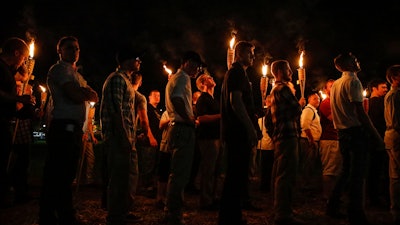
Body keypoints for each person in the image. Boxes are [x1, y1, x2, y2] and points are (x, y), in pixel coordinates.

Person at [39, 36, 99, 225]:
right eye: (69, 48)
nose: (74, 51)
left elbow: (94, 96)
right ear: (60, 51)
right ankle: (52, 215)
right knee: (57, 173)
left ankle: (63, 212)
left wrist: (82, 92)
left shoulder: (76, 75)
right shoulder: (58, 70)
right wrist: (82, 92)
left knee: (67, 174)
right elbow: (73, 94)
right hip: (62, 126)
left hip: (73, 128)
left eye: (77, 49)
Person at [328, 53, 384, 225]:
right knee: (358, 174)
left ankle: (332, 206)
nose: (358, 62)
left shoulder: (336, 84)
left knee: (345, 172)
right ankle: (356, 213)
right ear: (348, 64)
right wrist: (375, 135)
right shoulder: (353, 82)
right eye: (355, 60)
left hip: (342, 133)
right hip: (354, 132)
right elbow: (360, 112)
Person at [100, 46, 143, 225]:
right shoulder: (117, 79)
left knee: (128, 176)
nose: (139, 62)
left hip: (127, 137)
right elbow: (116, 110)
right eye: (137, 58)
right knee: (118, 177)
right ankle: (115, 216)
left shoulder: (126, 80)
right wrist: (124, 137)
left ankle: (122, 211)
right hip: (118, 137)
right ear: (128, 60)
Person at [219, 41, 259, 225]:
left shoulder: (238, 73)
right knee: (235, 175)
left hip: (237, 131)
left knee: (237, 175)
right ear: (239, 54)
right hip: (238, 132)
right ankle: (230, 217)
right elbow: (236, 102)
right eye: (250, 53)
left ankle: (232, 215)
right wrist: (250, 128)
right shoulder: (236, 72)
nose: (253, 56)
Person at [163, 50, 204, 225]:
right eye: (196, 65)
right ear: (187, 62)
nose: (198, 69)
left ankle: (173, 211)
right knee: (180, 173)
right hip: (182, 128)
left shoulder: (177, 79)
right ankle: (173, 214)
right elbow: (178, 100)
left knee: (177, 172)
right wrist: (189, 119)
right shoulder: (182, 78)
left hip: (176, 128)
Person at [268, 59, 304, 225]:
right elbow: (296, 109)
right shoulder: (283, 89)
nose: (291, 73)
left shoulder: (274, 90)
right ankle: (283, 214)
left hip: (280, 136)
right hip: (287, 136)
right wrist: (300, 102)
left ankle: (279, 209)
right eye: (289, 70)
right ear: (281, 71)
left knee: (280, 173)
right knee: (286, 175)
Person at [0, 37, 32, 208]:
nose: (23, 61)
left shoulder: (7, 70)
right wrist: (17, 98)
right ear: (16, 52)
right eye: (23, 57)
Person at [195, 72, 224, 211]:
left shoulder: (214, 99)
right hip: (207, 138)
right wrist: (220, 116)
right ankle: (205, 201)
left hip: (217, 138)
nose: (212, 78)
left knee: (216, 170)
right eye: (209, 78)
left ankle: (214, 197)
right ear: (203, 83)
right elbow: (201, 118)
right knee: (208, 169)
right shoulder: (203, 99)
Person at [9, 81, 38, 205]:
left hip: (25, 137)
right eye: (29, 91)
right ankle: (17, 192)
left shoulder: (26, 103)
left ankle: (23, 191)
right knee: (17, 166)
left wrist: (35, 111)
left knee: (24, 166)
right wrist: (26, 103)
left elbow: (31, 119)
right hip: (17, 138)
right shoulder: (16, 101)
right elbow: (19, 113)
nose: (31, 94)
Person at [131, 72, 158, 198]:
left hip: (130, 135)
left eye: (159, 96)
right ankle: (140, 188)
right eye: (155, 95)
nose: (158, 97)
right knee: (144, 163)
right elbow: (144, 121)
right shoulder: (140, 98)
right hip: (141, 137)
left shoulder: (128, 95)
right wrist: (148, 135)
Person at [366, 77, 389, 208]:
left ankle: (375, 196)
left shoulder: (371, 102)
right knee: (377, 169)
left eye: (386, 87)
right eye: (383, 87)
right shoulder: (377, 102)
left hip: (376, 140)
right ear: (374, 89)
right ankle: (376, 197)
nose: (386, 89)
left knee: (375, 169)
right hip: (378, 140)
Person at [318, 79, 342, 201]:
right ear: (326, 90)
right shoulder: (326, 103)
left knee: (337, 169)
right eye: (331, 86)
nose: (334, 88)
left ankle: (334, 196)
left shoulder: (337, 103)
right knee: (330, 169)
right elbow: (335, 118)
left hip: (337, 139)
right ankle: (327, 196)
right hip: (329, 140)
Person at [383, 65, 400, 225]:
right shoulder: (394, 96)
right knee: (396, 175)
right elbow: (396, 121)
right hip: (396, 137)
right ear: (394, 77)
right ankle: (396, 210)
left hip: (394, 136)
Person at [298, 92, 322, 192]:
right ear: (309, 100)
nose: (317, 100)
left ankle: (307, 184)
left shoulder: (314, 111)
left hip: (311, 141)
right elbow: (305, 125)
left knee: (310, 164)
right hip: (308, 141)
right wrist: (311, 140)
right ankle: (305, 186)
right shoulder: (308, 110)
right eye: (314, 99)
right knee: (307, 164)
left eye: (318, 99)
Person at [78, 101, 98, 186]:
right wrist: (81, 133)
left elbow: (89, 122)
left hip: (87, 136)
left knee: (91, 157)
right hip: (79, 135)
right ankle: (76, 179)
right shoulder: (81, 105)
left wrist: (92, 136)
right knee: (78, 157)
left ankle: (89, 179)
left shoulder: (91, 107)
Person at [258, 95, 274, 192]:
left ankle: (266, 185)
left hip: (266, 144)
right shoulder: (267, 115)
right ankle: (265, 186)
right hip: (267, 143)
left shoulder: (268, 114)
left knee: (267, 166)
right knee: (266, 167)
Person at [156, 110, 171, 209]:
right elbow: (161, 126)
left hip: (176, 148)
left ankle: (169, 197)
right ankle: (160, 198)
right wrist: (171, 119)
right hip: (166, 147)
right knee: (163, 174)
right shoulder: (167, 113)